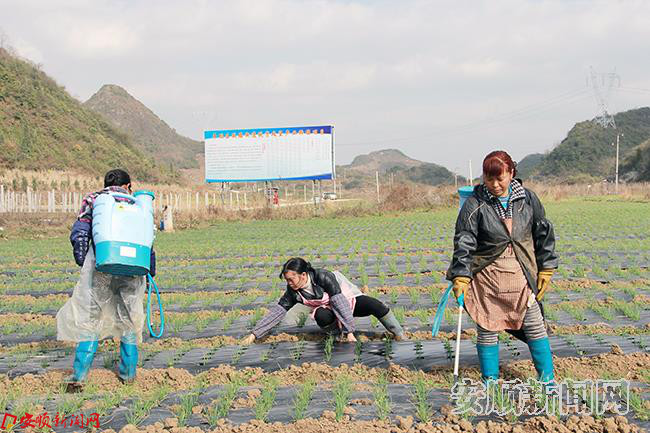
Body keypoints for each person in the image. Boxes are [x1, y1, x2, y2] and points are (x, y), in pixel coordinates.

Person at [446, 151, 558, 383]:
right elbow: (465, 240)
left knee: (535, 326)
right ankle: (490, 381)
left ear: (511, 174)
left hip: (521, 274)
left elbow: (542, 232)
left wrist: (546, 266)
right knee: (487, 328)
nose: (494, 185)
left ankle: (547, 381)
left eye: (500, 178)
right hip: (487, 276)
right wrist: (461, 275)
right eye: (489, 179)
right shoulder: (475, 204)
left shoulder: (528, 199)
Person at [56, 169, 156, 386]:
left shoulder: (95, 200)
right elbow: (148, 243)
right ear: (128, 186)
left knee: (91, 319)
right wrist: (150, 272)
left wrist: (84, 262)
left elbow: (80, 232)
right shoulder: (138, 204)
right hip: (132, 271)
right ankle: (128, 375)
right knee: (129, 320)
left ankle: (79, 376)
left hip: (102, 267)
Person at [242, 257, 405, 344]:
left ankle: (399, 333)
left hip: (347, 302)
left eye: (292, 279)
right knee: (321, 315)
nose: (289, 283)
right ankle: (335, 336)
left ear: (303, 275)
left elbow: (339, 302)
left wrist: (350, 332)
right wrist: (254, 334)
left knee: (375, 305)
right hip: (328, 312)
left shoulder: (323, 276)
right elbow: (278, 312)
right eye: (287, 280)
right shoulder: (293, 292)